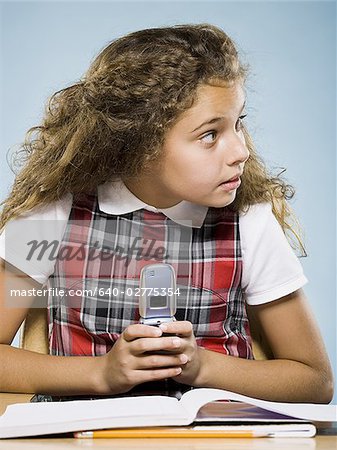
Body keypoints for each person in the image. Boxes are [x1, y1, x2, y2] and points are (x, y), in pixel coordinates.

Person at [0, 23, 334, 403]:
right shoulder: (52, 214)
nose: (241, 150)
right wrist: (102, 373)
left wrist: (201, 366)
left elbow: (316, 382)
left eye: (238, 123)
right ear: (139, 143)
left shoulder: (250, 221)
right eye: (210, 134)